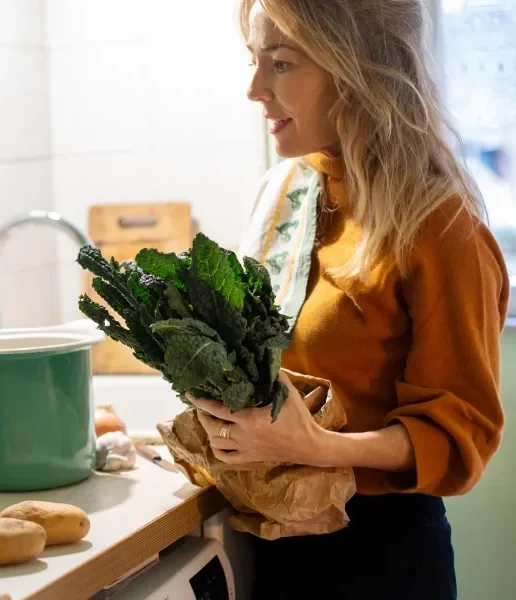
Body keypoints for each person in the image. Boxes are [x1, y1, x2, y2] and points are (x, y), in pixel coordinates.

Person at [186, 1, 510, 598]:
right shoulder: (287, 191)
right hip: (272, 538)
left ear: (362, 70)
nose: (254, 89)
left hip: (376, 558)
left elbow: (461, 433)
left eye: (281, 63)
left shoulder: (440, 228)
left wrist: (316, 446)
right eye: (254, 61)